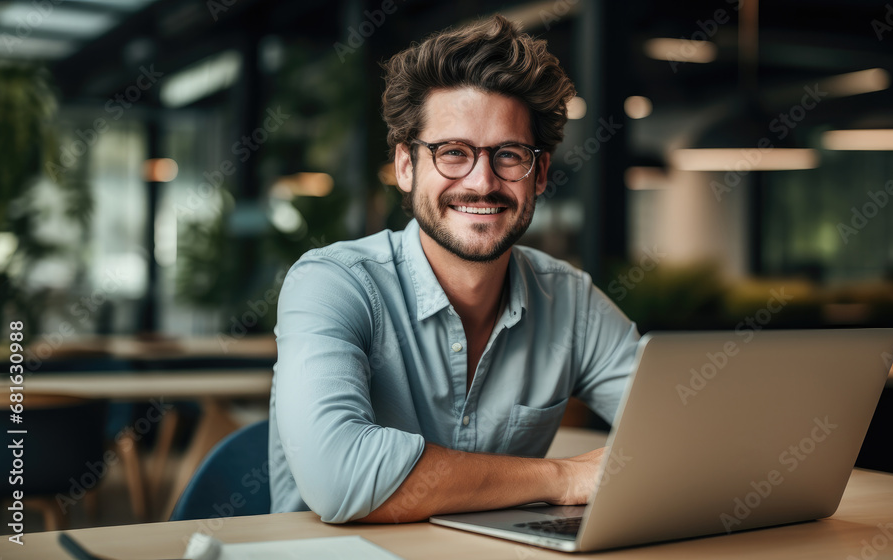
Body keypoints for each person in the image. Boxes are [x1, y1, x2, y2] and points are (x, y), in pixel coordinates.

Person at [269, 14, 640, 524]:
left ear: (541, 175)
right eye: (453, 153)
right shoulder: (333, 283)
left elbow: (685, 432)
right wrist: (563, 478)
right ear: (406, 166)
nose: (482, 181)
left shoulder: (569, 301)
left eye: (509, 155)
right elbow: (342, 478)